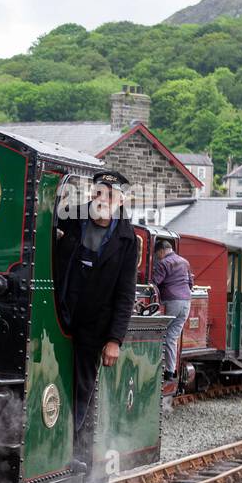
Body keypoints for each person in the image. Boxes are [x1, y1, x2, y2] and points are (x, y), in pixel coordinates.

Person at [54, 170, 139, 450]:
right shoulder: (70, 218)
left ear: (120, 201)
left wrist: (114, 340)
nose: (102, 198)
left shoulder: (127, 239)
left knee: (81, 390)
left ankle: (74, 448)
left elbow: (126, 293)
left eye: (109, 195)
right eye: (98, 192)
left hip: (94, 325)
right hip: (59, 314)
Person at [152, 238, 193, 381]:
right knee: (171, 337)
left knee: (158, 334)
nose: (157, 257)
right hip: (186, 302)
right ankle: (170, 371)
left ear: (162, 251)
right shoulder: (184, 262)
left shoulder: (164, 263)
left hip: (172, 302)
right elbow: (190, 283)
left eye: (157, 254)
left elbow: (155, 282)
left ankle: (155, 368)